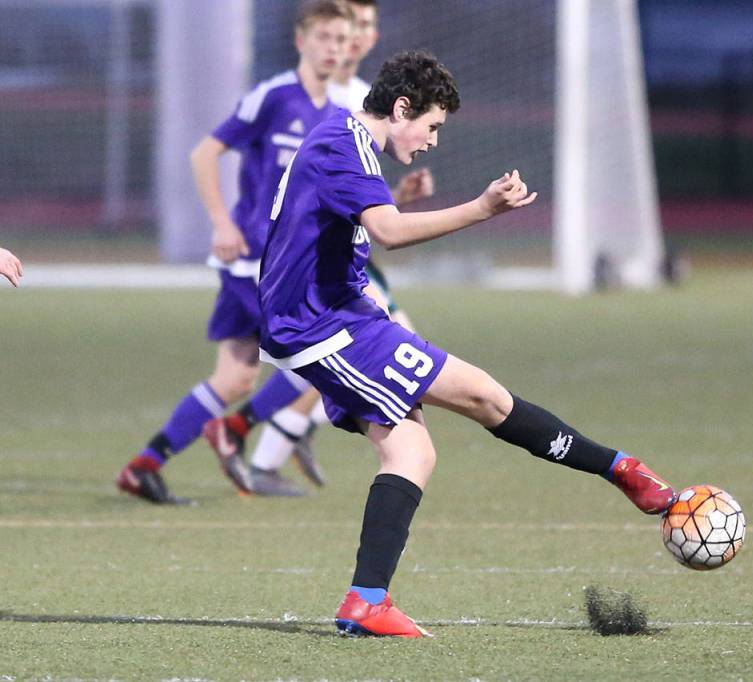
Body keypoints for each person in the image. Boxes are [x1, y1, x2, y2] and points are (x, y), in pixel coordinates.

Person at [257, 49, 680, 638]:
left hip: (339, 314)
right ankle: (624, 471)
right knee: (483, 395)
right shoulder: (343, 143)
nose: (433, 140)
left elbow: (338, 221)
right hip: (320, 324)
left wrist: (395, 199)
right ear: (401, 107)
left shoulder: (346, 144)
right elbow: (386, 232)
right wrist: (482, 208)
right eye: (431, 125)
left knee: (413, 454)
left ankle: (366, 601)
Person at [115, 0, 355, 505]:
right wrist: (222, 223)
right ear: (301, 41)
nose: (333, 48)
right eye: (324, 37)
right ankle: (236, 430)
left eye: (341, 39)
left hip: (288, 264)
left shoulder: (337, 116)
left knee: (237, 375)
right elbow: (205, 152)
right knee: (320, 358)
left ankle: (145, 465)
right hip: (255, 259)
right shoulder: (274, 97)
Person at [231, 0, 431, 497]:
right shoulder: (320, 96)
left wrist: (400, 197)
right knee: (387, 350)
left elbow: (365, 199)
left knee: (377, 353)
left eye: (367, 25)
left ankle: (272, 439)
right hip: (305, 256)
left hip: (349, 254)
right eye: (350, 27)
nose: (358, 37)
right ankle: (266, 436)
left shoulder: (367, 97)